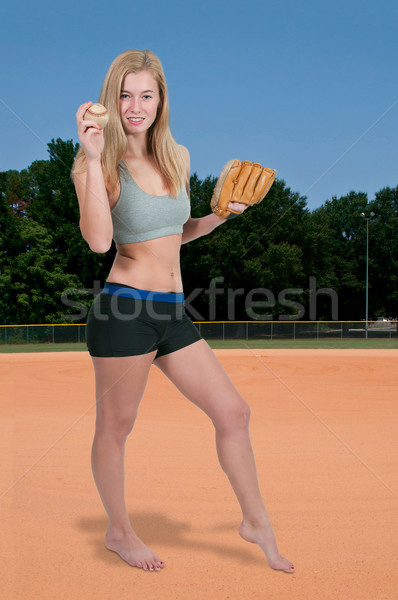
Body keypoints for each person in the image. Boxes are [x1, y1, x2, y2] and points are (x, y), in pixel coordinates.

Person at [72, 49, 294, 574]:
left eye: (146, 95)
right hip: (125, 309)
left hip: (172, 312)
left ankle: (255, 521)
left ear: (161, 100)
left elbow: (175, 233)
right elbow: (100, 241)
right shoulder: (96, 162)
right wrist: (91, 152)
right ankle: (119, 532)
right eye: (125, 95)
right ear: (111, 98)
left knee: (234, 413)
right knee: (116, 429)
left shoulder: (178, 157)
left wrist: (220, 217)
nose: (135, 105)